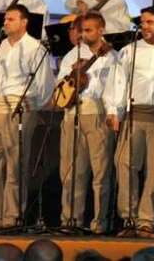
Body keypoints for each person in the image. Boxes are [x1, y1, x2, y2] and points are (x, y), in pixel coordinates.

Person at [0, 4, 54, 229]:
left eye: (11, 19)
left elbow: (44, 84)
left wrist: (32, 106)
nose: (5, 23)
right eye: (5, 19)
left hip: (20, 108)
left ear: (24, 22)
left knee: (15, 166)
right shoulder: (0, 47)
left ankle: (13, 216)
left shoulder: (35, 48)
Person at [114, 5, 154, 238]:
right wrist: (115, 112)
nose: (144, 26)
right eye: (142, 23)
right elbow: (119, 82)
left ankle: (146, 221)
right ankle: (129, 219)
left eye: (150, 22)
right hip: (134, 114)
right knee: (124, 165)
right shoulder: (130, 50)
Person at [56, 12, 121, 233]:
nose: (84, 34)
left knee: (100, 173)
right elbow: (60, 88)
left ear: (101, 30)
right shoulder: (72, 54)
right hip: (72, 114)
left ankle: (100, 223)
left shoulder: (113, 56)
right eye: (82, 30)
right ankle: (70, 220)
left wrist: (90, 80)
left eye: (89, 30)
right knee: (71, 172)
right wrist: (72, 76)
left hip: (97, 113)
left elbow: (115, 88)